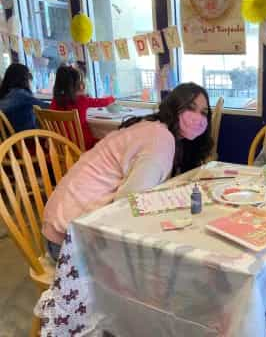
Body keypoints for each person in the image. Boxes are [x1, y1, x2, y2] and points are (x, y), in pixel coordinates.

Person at [42, 82, 213, 260]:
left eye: (203, 112)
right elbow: (130, 202)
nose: (198, 118)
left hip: (65, 225)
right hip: (69, 239)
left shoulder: (152, 126)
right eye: (190, 108)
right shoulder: (160, 139)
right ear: (174, 107)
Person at [50, 65, 115, 149]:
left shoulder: (55, 101)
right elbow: (102, 102)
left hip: (62, 146)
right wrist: (112, 98)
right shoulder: (82, 100)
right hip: (83, 145)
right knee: (108, 141)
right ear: (76, 84)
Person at [0, 63, 49, 132]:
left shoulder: (5, 93)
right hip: (28, 137)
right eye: (28, 76)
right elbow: (45, 107)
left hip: (12, 138)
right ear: (23, 78)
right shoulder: (21, 94)